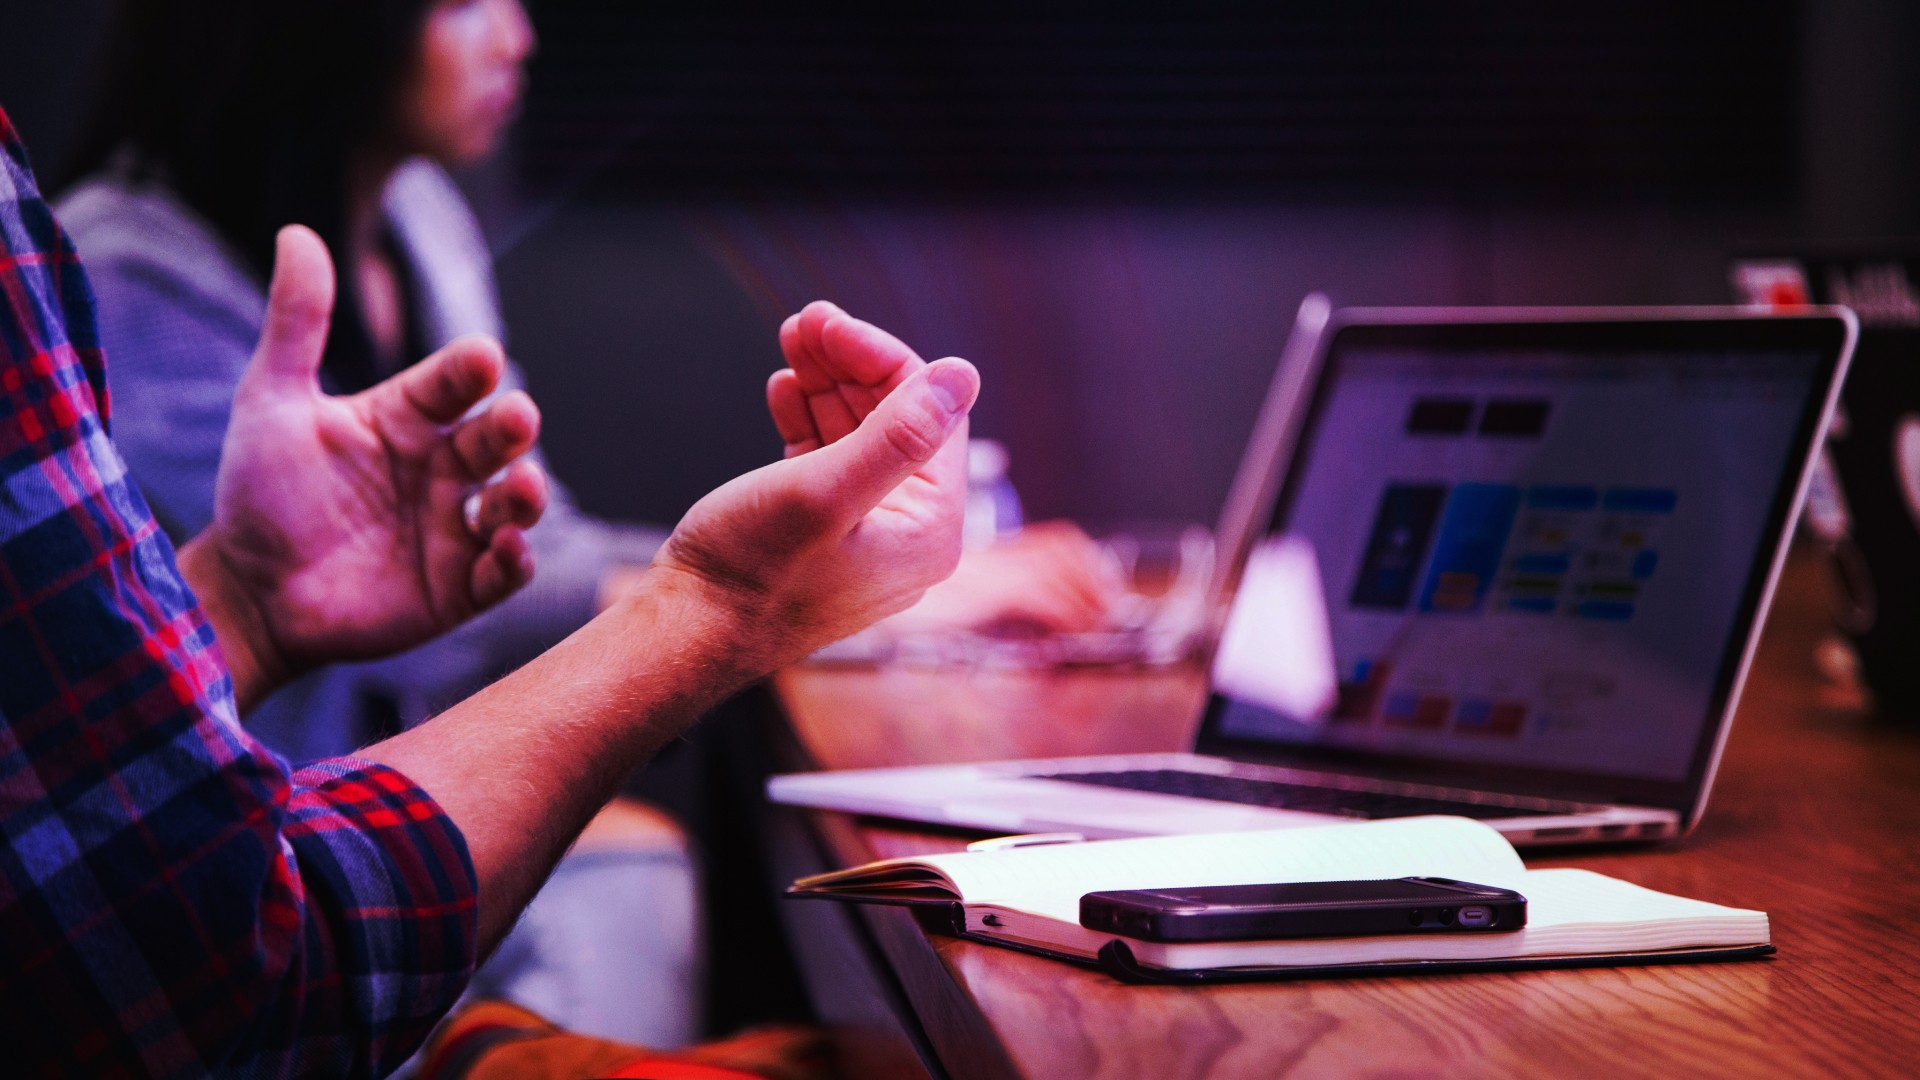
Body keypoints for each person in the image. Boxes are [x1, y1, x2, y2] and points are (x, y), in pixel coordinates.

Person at [56, 0, 1116, 1037]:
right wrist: (793, 596)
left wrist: (812, 578)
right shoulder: (127, 275)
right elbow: (456, 618)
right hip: (239, 893)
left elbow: (513, 549)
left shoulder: (418, 218)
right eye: (466, 3)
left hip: (366, 820)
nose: (518, 33)